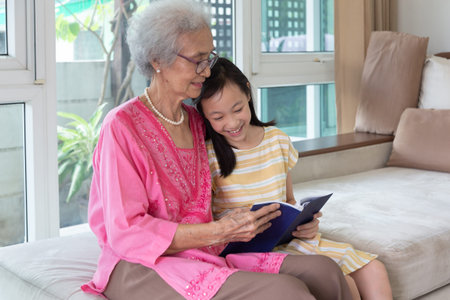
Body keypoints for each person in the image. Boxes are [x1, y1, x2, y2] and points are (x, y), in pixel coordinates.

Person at [81, 0, 352, 299]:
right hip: (139, 265)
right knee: (287, 292)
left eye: (209, 58)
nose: (207, 72)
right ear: (158, 59)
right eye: (197, 60)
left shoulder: (198, 122)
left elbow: (248, 163)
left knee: (325, 271)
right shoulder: (121, 127)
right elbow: (126, 233)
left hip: (205, 251)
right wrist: (221, 231)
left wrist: (287, 221)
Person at [195, 57, 393, 300]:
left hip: (289, 241)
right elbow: (205, 223)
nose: (232, 122)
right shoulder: (207, 156)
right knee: (346, 283)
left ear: (248, 91)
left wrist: (305, 222)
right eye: (218, 117)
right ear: (204, 115)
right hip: (250, 251)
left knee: (375, 270)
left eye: (237, 109)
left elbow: (288, 200)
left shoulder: (277, 140)